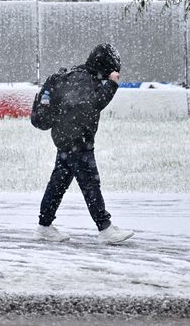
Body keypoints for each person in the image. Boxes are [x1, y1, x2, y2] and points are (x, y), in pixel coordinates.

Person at [33, 43, 134, 244]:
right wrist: (112, 85)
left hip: (65, 140)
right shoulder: (85, 80)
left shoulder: (75, 76)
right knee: (90, 184)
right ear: (104, 65)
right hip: (77, 141)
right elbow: (92, 106)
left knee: (58, 184)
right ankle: (105, 229)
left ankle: (44, 226)